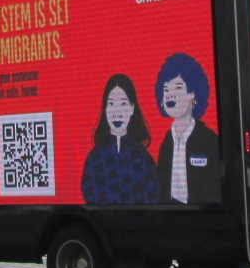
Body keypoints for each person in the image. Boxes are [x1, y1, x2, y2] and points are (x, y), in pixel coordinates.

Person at [79, 74, 160, 204]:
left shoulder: (143, 158)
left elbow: (152, 194)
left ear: (132, 108)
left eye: (123, 103)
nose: (116, 112)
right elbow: (89, 191)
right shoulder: (95, 157)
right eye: (111, 104)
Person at [153, 53, 222, 204]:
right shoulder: (166, 143)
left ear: (193, 93)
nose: (170, 95)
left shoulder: (208, 140)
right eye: (166, 90)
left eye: (178, 88)